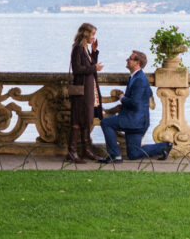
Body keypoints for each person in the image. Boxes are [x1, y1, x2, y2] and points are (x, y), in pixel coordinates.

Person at [99, 50, 173, 163]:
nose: (127, 60)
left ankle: (115, 155)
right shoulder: (136, 77)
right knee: (133, 154)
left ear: (137, 63)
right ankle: (164, 146)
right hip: (137, 121)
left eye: (130, 58)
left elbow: (134, 103)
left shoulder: (139, 80)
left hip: (134, 121)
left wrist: (122, 98)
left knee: (106, 123)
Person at [67, 22, 103, 163]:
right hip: (81, 91)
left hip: (88, 90)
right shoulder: (78, 48)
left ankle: (86, 150)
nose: (94, 37)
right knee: (77, 120)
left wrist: (94, 51)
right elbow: (77, 69)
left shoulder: (85, 48)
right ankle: (72, 151)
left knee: (86, 119)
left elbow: (89, 65)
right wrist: (95, 68)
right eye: (92, 34)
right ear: (86, 34)